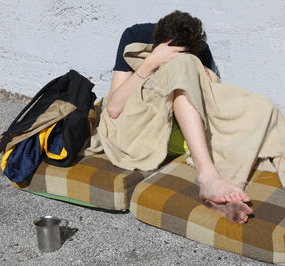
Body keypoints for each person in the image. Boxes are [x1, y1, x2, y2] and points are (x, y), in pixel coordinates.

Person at [107, 11, 253, 224]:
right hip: (138, 129)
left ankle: (223, 198)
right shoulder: (135, 36)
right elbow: (113, 108)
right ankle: (208, 177)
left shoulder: (198, 49)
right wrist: (151, 63)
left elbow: (209, 107)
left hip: (177, 129)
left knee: (238, 134)